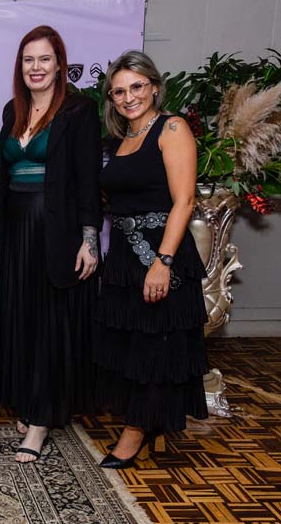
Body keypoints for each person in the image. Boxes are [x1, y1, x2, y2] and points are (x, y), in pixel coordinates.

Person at [95, 50, 208, 469]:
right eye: (119, 91)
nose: (129, 97)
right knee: (132, 345)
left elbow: (184, 201)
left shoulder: (171, 128)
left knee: (154, 346)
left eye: (137, 87)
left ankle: (137, 429)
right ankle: (147, 417)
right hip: (125, 256)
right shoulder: (120, 140)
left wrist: (163, 261)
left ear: (155, 87)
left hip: (161, 253)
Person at [0, 25, 102, 462]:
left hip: (56, 232)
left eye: (44, 59)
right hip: (15, 230)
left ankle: (41, 421)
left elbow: (89, 180)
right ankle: (29, 399)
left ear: (60, 65)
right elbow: (4, 175)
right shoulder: (12, 110)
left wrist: (90, 239)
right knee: (21, 319)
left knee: (49, 324)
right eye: (28, 60)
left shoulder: (79, 110)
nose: (35, 67)